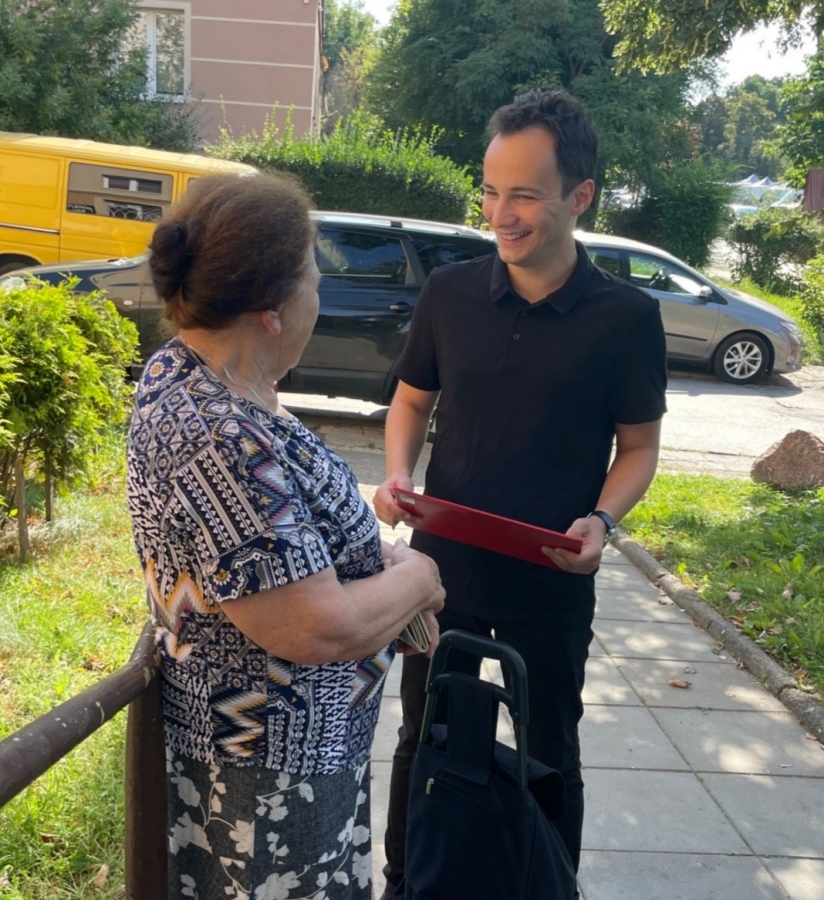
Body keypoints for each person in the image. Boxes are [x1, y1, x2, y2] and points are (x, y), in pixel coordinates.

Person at [373, 90, 668, 899]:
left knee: (550, 753)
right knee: (425, 738)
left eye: (525, 196)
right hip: (440, 575)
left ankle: (547, 885)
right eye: (490, 191)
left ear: (580, 196)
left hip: (551, 580)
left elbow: (640, 448)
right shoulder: (450, 293)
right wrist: (398, 475)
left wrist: (603, 520)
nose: (500, 215)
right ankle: (409, 883)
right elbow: (410, 402)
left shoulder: (626, 317)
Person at [126, 172, 445, 900]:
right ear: (271, 310)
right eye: (314, 279)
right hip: (267, 778)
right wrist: (418, 579)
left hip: (298, 754)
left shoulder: (206, 379)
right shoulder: (220, 436)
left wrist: (378, 574)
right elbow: (316, 627)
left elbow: (283, 550)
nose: (319, 294)